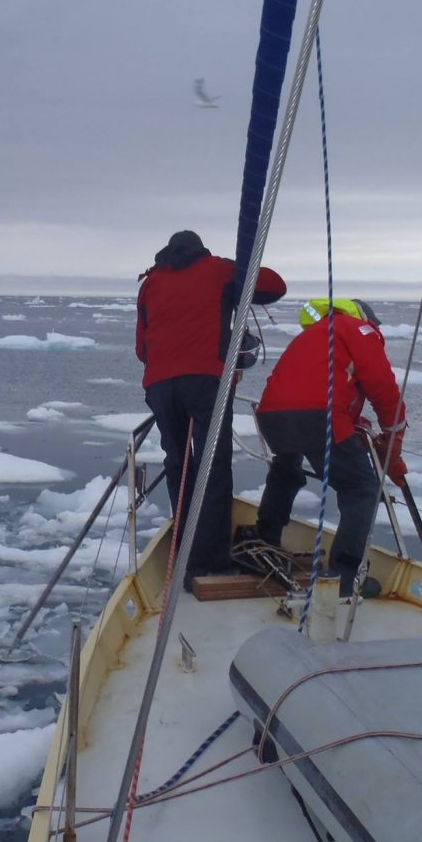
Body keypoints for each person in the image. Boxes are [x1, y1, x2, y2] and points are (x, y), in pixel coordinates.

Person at [136, 231, 287, 582]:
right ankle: (210, 562)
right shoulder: (217, 270)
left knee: (179, 464)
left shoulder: (150, 283)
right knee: (212, 468)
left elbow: (142, 348)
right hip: (206, 382)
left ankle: (185, 552)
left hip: (160, 386)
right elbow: (274, 286)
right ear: (201, 250)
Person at [252, 297, 407, 597]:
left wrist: (351, 425)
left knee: (286, 468)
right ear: (365, 318)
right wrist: (393, 443)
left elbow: (319, 384)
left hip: (272, 415)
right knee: (362, 489)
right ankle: (343, 582)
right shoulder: (359, 330)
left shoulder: (312, 334)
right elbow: (384, 389)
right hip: (319, 417)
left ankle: (266, 538)